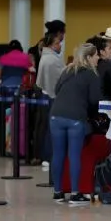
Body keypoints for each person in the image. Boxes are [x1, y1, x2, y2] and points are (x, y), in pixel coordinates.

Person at [50, 43, 102, 205]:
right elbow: (95, 100)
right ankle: (74, 193)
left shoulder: (67, 70)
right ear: (88, 57)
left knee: (58, 154)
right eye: (95, 55)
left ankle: (57, 193)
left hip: (55, 115)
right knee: (74, 155)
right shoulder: (91, 75)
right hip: (75, 117)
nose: (98, 58)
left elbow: (57, 90)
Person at [34, 33, 65, 165]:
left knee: (46, 127)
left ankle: (45, 155)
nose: (60, 46)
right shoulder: (52, 60)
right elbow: (60, 78)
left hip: (45, 95)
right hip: (52, 96)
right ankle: (48, 155)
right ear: (52, 45)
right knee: (51, 129)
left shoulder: (45, 57)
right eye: (57, 43)